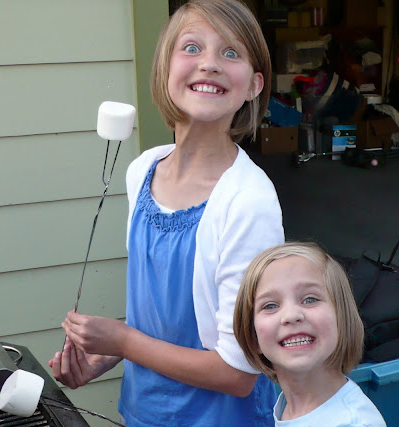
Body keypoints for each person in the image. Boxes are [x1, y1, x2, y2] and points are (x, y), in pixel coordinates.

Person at [49, 1, 284, 425]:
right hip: (144, 411)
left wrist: (123, 341)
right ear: (164, 69)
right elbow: (163, 318)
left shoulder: (249, 202)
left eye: (231, 52)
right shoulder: (142, 171)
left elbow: (238, 374)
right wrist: (105, 355)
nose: (209, 63)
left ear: (254, 85)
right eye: (191, 48)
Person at [234, 242, 387, 426]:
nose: (291, 315)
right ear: (253, 336)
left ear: (341, 318)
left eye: (310, 299)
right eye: (270, 305)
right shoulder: (287, 407)